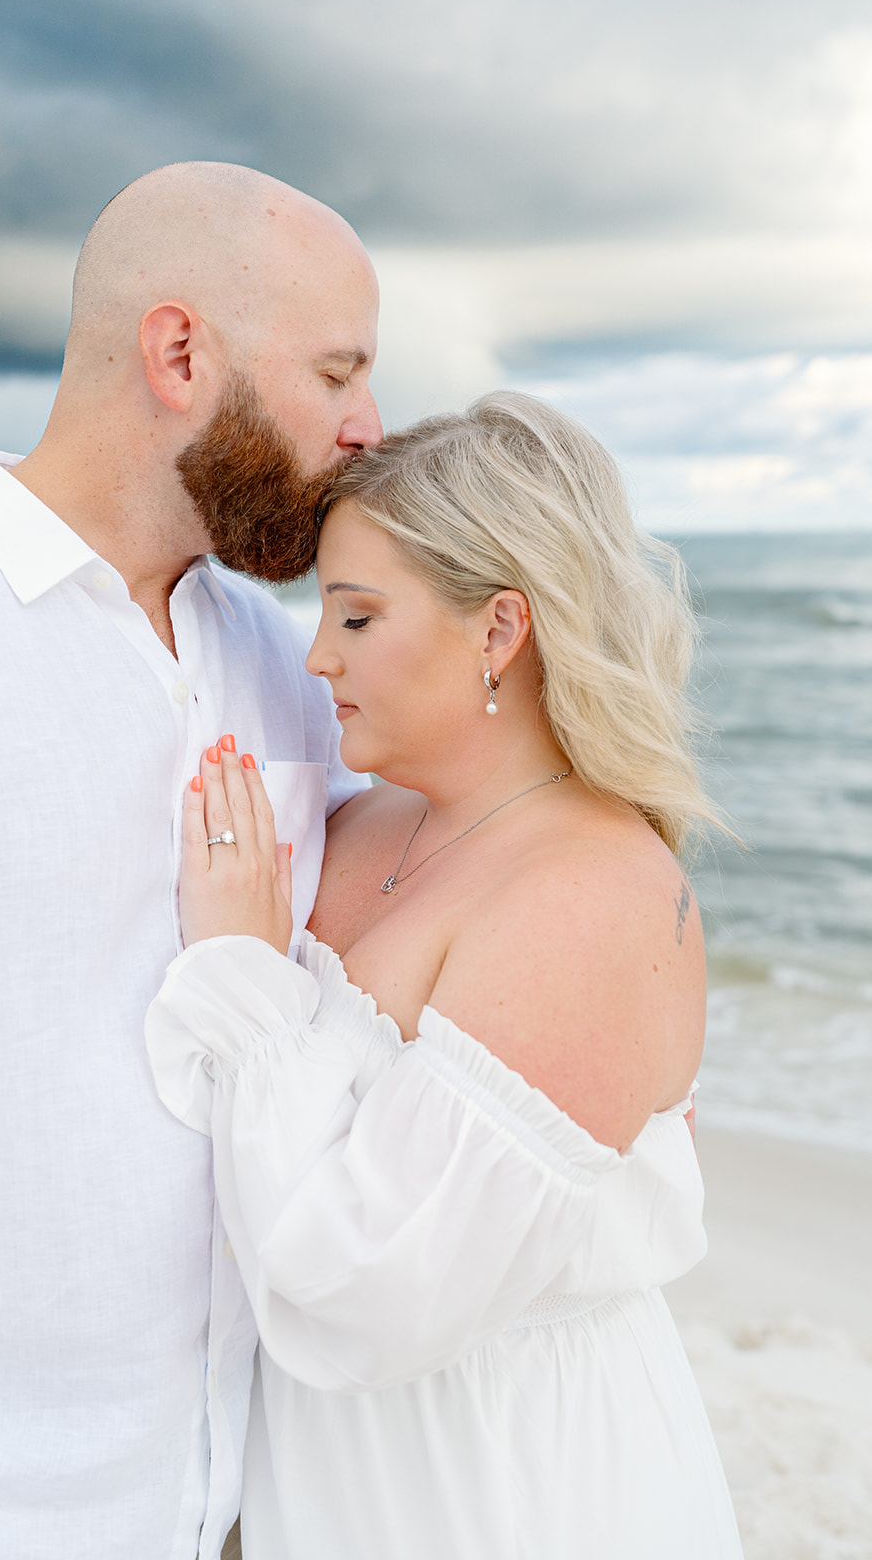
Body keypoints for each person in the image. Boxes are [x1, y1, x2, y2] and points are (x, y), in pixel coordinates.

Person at [0, 162, 381, 1560]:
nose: (371, 429)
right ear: (180, 353)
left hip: (226, 1512)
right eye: (335, 373)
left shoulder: (294, 669)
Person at [146, 392, 745, 1559]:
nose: (315, 654)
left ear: (498, 630)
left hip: (507, 1491)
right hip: (321, 1483)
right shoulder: (364, 822)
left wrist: (239, 971)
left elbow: (357, 1293)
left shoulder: (593, 897)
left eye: (358, 616)